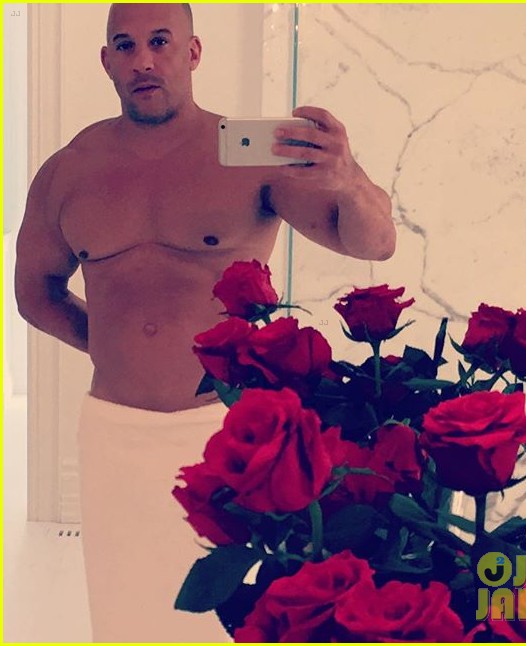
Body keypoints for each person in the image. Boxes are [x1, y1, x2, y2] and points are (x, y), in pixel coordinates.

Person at [14, 3, 395, 643]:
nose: (143, 60)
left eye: (161, 41)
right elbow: (34, 292)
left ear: (192, 52)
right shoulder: (68, 171)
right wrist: (111, 349)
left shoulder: (251, 157)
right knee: (125, 612)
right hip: (114, 430)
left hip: (228, 424)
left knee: (232, 617)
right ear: (106, 60)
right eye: (125, 45)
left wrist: (349, 179)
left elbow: (372, 244)